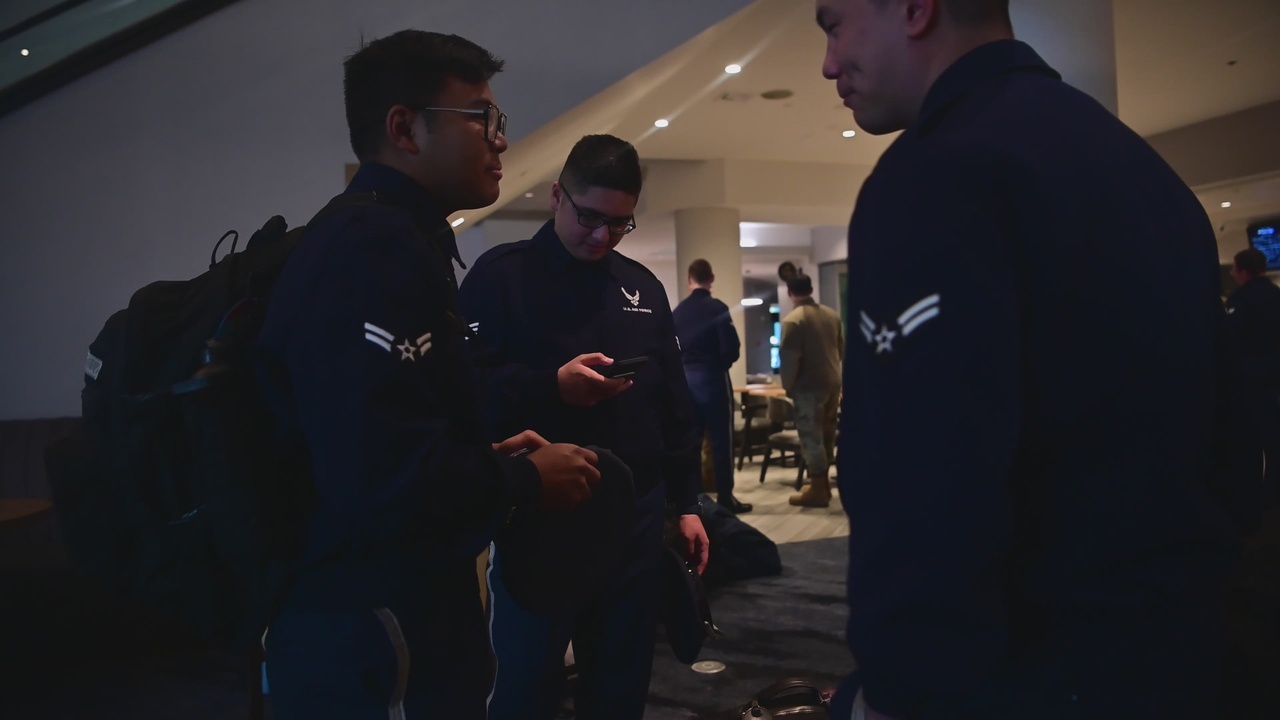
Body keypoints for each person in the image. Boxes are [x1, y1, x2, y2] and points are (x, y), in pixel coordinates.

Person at [816, 0, 1257, 718]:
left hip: (1025, 670)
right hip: (1181, 653)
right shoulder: (1149, 175)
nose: (830, 62)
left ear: (915, 8)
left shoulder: (936, 172)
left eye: (834, 25)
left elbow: (923, 478)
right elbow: (1232, 451)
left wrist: (899, 689)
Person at [252, 31, 601, 720]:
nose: (500, 140)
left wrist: (482, 456)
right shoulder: (370, 249)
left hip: (379, 613)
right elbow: (376, 478)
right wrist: (524, 480)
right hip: (370, 622)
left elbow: (394, 423)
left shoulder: (393, 238)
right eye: (482, 119)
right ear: (403, 128)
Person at [457, 134, 710, 720]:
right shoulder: (501, 277)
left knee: (621, 681)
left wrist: (688, 502)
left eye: (619, 224)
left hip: (637, 508)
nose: (602, 235)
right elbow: (463, 391)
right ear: (556, 197)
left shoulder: (641, 286)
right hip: (542, 510)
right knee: (526, 680)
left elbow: (673, 401)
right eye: (590, 217)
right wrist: (551, 385)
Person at [673, 258, 749, 513]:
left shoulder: (678, 311)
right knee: (721, 441)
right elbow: (731, 349)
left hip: (685, 380)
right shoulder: (717, 308)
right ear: (712, 279)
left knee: (691, 442)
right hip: (712, 379)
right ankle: (726, 497)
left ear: (688, 279)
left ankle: (695, 498)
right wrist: (718, 365)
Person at [778, 273, 843, 508]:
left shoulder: (794, 320)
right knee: (828, 433)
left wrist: (788, 386)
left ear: (789, 292)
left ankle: (817, 488)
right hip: (833, 381)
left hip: (808, 386)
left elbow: (789, 359)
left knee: (811, 436)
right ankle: (824, 486)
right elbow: (840, 349)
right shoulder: (831, 315)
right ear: (812, 288)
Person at [1226, 247, 1280, 508]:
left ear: (1243, 271)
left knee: (1251, 440)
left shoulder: (1241, 300)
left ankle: (1257, 499)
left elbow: (1230, 341)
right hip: (1275, 375)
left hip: (1251, 379)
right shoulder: (1275, 295)